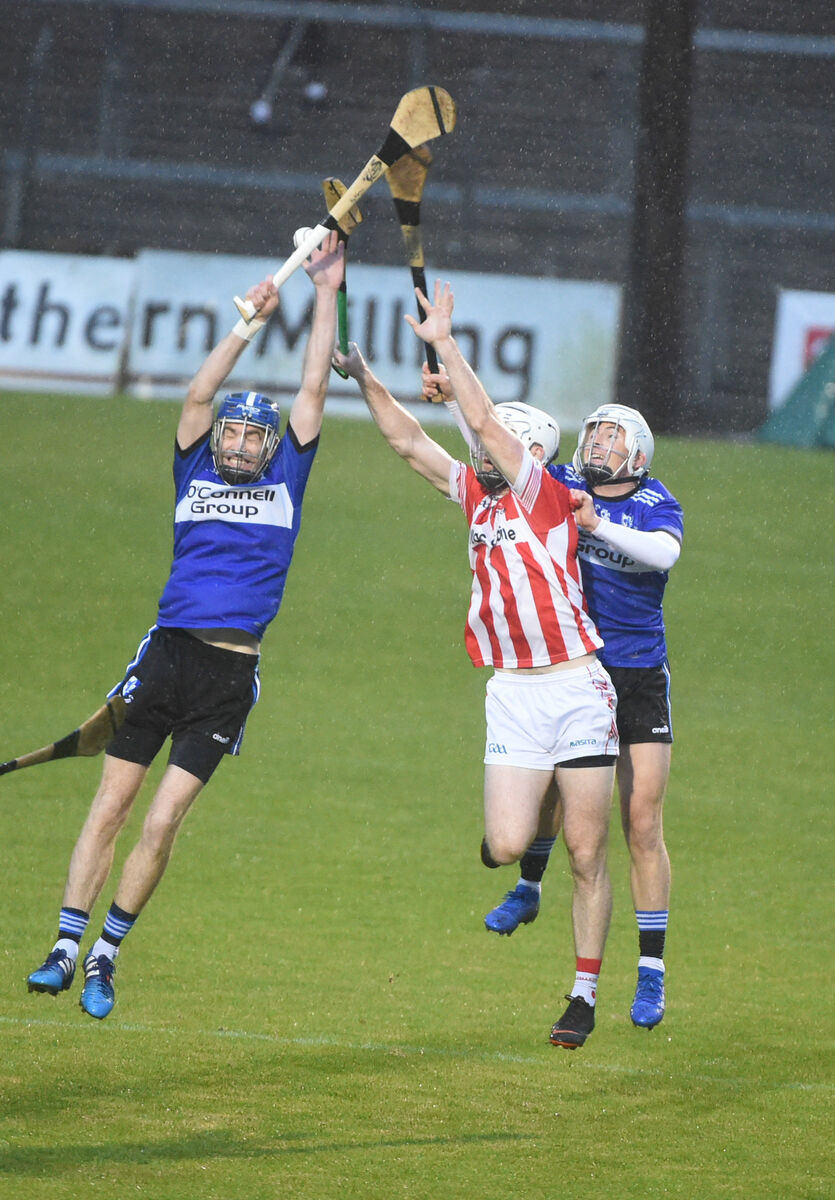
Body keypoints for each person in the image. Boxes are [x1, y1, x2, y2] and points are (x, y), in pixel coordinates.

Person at [26, 232, 344, 1020]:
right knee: (111, 806)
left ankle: (107, 954)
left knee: (163, 822)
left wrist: (327, 288)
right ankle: (65, 944)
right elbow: (198, 396)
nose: (236, 443)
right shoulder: (193, 466)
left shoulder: (288, 479)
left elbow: (311, 390)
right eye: (231, 433)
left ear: (270, 446)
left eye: (249, 435)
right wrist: (247, 325)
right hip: (164, 659)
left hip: (227, 679)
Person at [335, 280, 619, 1051]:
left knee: (589, 853)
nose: (479, 453)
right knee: (501, 844)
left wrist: (445, 340)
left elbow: (486, 423)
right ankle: (525, 836)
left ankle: (582, 994)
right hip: (511, 694)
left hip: (575, 684)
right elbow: (406, 442)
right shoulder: (476, 497)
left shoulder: (543, 494)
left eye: (494, 446)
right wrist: (364, 377)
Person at [473, 400, 683, 1032]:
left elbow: (664, 555)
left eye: (614, 435)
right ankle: (530, 888)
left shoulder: (655, 504)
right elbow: (496, 453)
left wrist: (596, 524)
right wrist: (456, 403)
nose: (597, 443)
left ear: (639, 456)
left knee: (641, 820)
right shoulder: (558, 480)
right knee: (551, 801)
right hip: (570, 667)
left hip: (638, 673)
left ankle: (651, 972)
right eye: (594, 430)